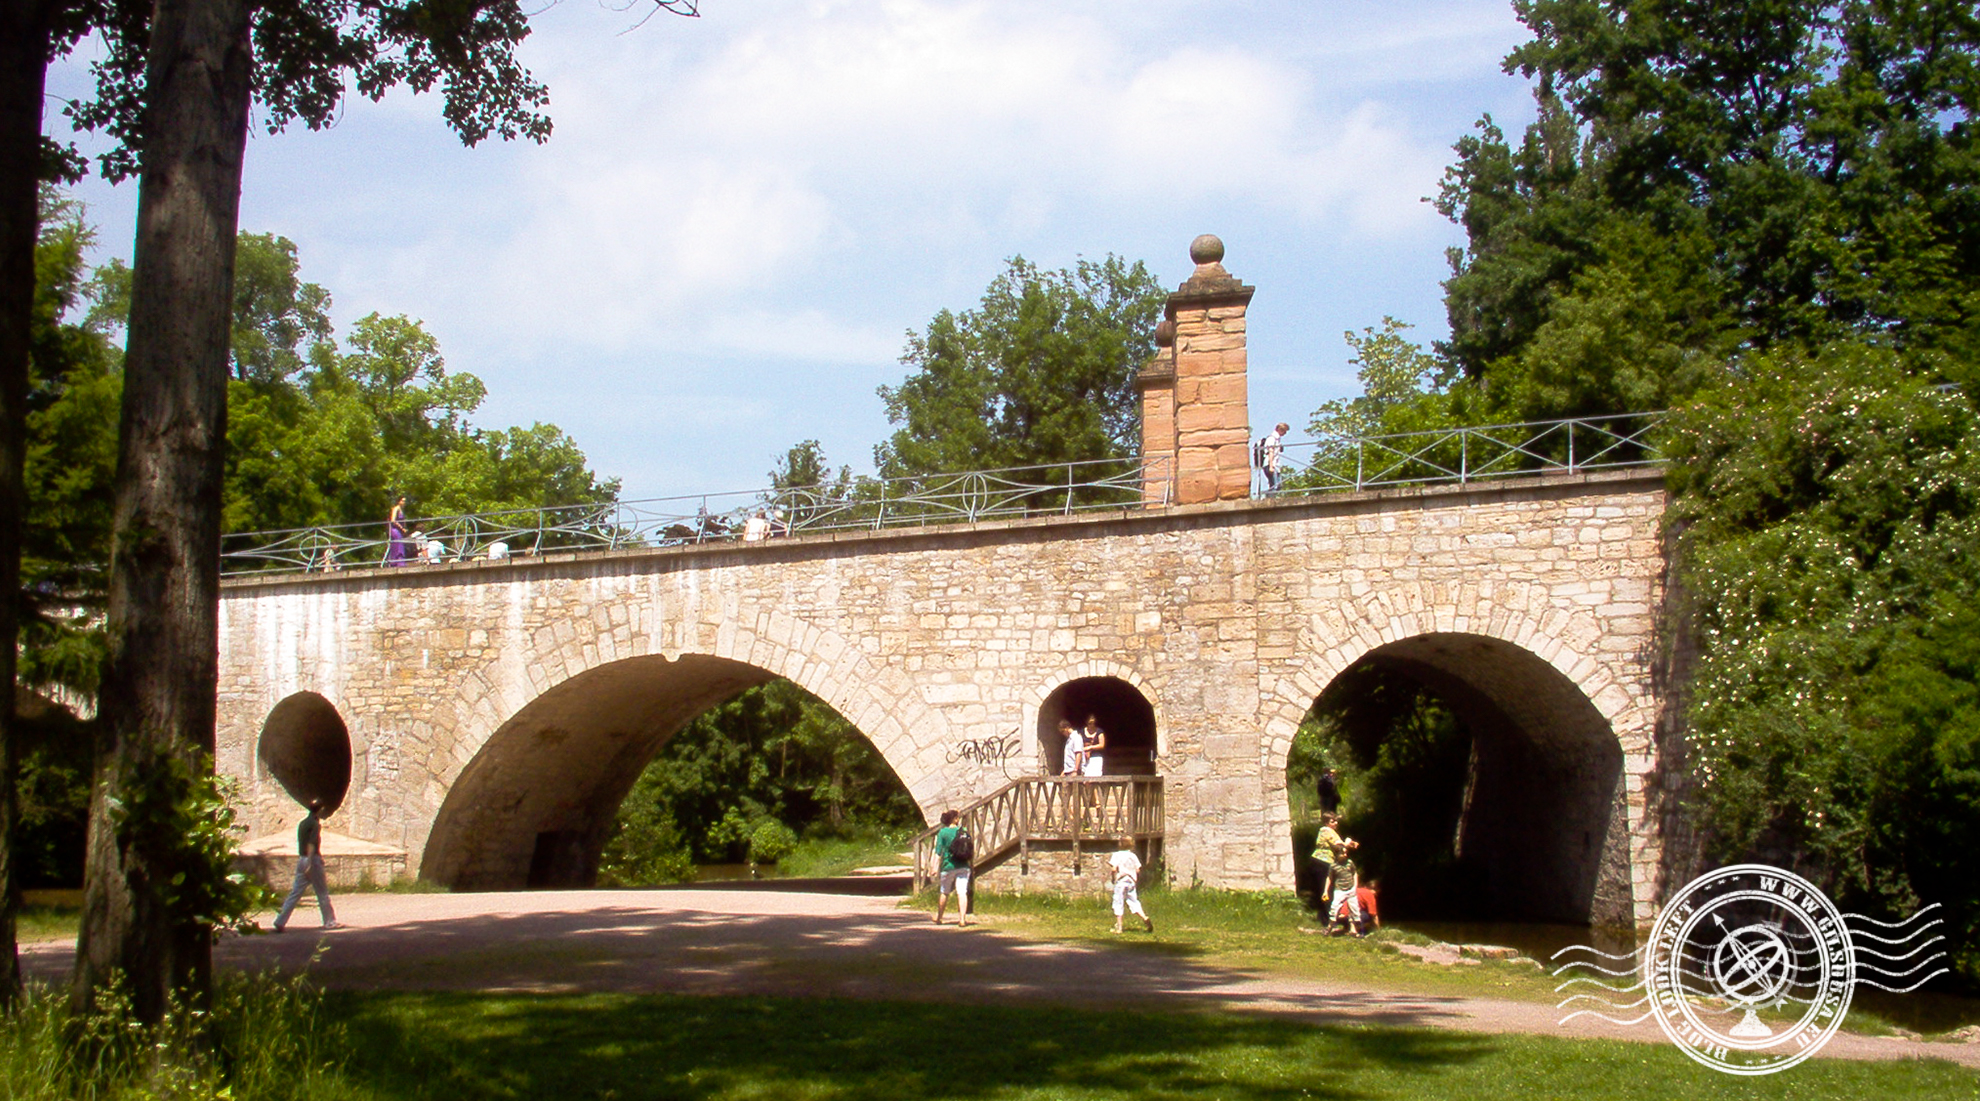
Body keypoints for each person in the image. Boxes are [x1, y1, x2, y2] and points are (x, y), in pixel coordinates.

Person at [272, 800, 342, 933]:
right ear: (320, 810)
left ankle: (280, 920)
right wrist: (310, 863)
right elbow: (311, 844)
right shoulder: (314, 824)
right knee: (322, 892)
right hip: (312, 859)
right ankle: (330, 922)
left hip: (301, 858)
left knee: (295, 892)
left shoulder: (303, 823)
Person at [933, 809, 972, 926]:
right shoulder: (963, 831)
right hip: (963, 865)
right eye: (957, 817)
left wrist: (934, 867)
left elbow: (938, 852)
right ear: (955, 819)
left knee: (944, 892)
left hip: (948, 865)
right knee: (962, 892)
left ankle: (939, 918)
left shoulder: (943, 833)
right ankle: (962, 919)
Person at [1108, 837, 1154, 933]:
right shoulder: (1132, 856)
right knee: (1133, 901)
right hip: (1131, 881)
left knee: (1118, 902)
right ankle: (1144, 917)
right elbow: (1138, 869)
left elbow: (1113, 869)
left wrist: (1113, 878)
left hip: (1121, 881)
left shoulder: (1116, 855)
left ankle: (1119, 927)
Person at [1260, 422, 1289, 493]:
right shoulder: (1272, 438)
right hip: (1271, 464)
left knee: (1278, 485)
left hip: (1275, 465)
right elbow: (1270, 451)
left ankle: (1271, 497)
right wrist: (1271, 466)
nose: (1285, 433)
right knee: (1274, 486)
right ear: (1280, 430)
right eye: (1284, 431)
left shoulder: (1276, 439)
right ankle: (1269, 499)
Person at [384, 496, 410, 566]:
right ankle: (396, 562)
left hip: (399, 530)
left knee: (400, 544)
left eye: (405, 501)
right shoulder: (396, 509)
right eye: (403, 501)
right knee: (398, 544)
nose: (404, 502)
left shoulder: (402, 510)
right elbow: (393, 520)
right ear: (399, 501)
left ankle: (400, 562)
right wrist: (402, 528)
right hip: (395, 530)